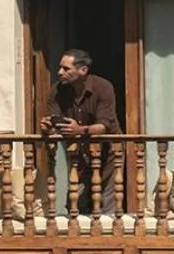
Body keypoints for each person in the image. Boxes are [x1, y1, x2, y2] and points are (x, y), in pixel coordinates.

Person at [40, 49, 121, 215]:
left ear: (83, 70)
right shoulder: (57, 91)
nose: (59, 72)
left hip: (108, 152)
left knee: (107, 200)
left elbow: (103, 126)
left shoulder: (103, 87)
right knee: (75, 201)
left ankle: (108, 230)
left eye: (66, 68)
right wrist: (48, 126)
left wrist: (80, 130)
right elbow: (54, 121)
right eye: (60, 67)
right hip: (79, 152)